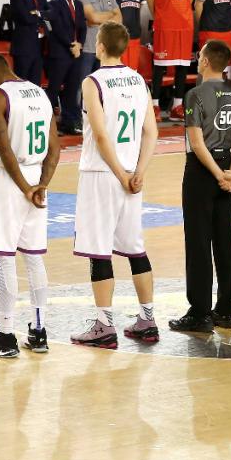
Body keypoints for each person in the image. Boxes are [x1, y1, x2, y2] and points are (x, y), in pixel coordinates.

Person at [71, 22, 159, 348]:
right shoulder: (138, 80)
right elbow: (152, 132)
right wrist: (139, 172)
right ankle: (147, 319)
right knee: (135, 247)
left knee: (99, 250)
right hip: (132, 175)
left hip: (102, 173)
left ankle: (104, 325)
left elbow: (102, 135)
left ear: (100, 46)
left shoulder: (93, 82)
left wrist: (121, 174)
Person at [0, 53, 60, 358]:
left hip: (11, 182)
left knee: (4, 258)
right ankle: (38, 332)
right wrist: (41, 186)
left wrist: (25, 188)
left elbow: (4, 146)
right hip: (36, 176)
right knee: (34, 258)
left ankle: (6, 336)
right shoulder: (40, 92)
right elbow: (55, 147)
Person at [169, 40, 231, 333]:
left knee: (199, 243)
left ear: (204, 62)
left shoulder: (195, 95)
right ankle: (226, 311)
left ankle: (200, 312)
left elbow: (197, 141)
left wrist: (217, 174)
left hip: (203, 173)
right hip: (227, 169)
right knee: (224, 240)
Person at [45, 0, 87, 136]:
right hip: (60, 53)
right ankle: (47, 123)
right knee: (54, 89)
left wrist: (80, 44)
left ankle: (69, 123)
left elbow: (82, 27)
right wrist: (72, 45)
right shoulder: (53, 3)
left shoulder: (78, 3)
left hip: (76, 53)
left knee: (72, 88)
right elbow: (57, 29)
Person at [76, 0, 122, 79]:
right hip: (88, 49)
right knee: (82, 85)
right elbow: (94, 17)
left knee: (103, 84)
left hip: (105, 49)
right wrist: (110, 15)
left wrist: (97, 19)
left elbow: (119, 20)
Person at [10, 0, 48, 86]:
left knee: (36, 85)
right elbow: (26, 18)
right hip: (24, 48)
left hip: (40, 47)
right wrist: (40, 15)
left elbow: (49, 14)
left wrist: (36, 13)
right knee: (21, 84)